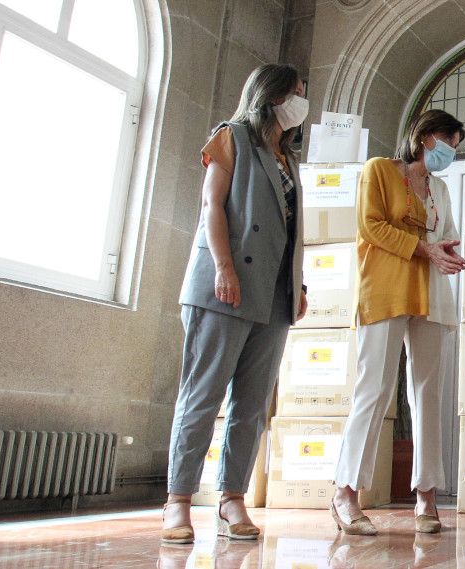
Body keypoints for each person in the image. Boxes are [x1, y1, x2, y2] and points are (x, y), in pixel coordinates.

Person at [163, 63, 309, 543]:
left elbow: (289, 233)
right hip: (225, 285)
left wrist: (298, 285)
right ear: (271, 94)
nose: (301, 101)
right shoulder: (232, 136)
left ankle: (232, 498)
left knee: (250, 407)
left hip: (274, 294)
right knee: (202, 397)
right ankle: (179, 501)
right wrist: (224, 268)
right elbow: (212, 206)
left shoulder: (288, 158)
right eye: (296, 92)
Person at [331, 110, 465, 536]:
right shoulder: (379, 170)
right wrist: (425, 249)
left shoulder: (441, 188)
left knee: (428, 393)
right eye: (447, 142)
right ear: (424, 137)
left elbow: (447, 232)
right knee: (373, 390)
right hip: (385, 289)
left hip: (431, 294)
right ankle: (346, 492)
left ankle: (426, 495)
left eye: (455, 148)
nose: (450, 153)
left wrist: (444, 250)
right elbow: (370, 225)